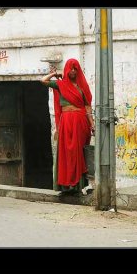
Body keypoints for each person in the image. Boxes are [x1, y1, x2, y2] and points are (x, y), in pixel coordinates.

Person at [40, 58, 95, 195]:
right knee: (65, 152)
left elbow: (87, 107)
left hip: (80, 121)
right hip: (66, 122)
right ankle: (66, 187)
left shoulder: (82, 86)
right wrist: (55, 74)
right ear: (66, 69)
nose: (73, 71)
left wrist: (92, 124)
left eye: (75, 69)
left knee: (78, 153)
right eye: (70, 68)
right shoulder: (60, 84)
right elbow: (43, 81)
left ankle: (79, 187)